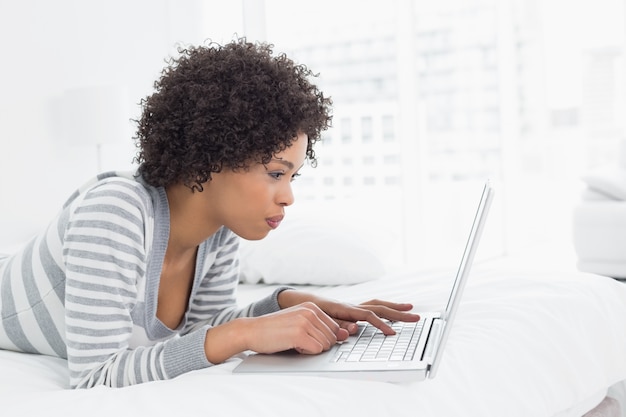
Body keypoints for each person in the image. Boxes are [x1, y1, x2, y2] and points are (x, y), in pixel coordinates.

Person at [0, 38, 420, 389]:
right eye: (275, 173)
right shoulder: (115, 212)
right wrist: (244, 334)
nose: (288, 197)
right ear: (211, 155)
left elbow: (199, 331)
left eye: (292, 176)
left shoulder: (218, 231)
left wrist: (287, 304)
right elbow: (94, 377)